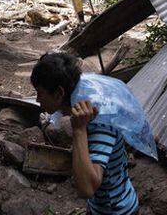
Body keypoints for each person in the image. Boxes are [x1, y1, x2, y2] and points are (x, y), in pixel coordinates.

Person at [31, 53, 140, 215]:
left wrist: (79, 130)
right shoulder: (83, 106)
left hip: (116, 210)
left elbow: (86, 189)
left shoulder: (99, 122)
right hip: (101, 205)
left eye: (40, 92)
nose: (37, 99)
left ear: (59, 93)